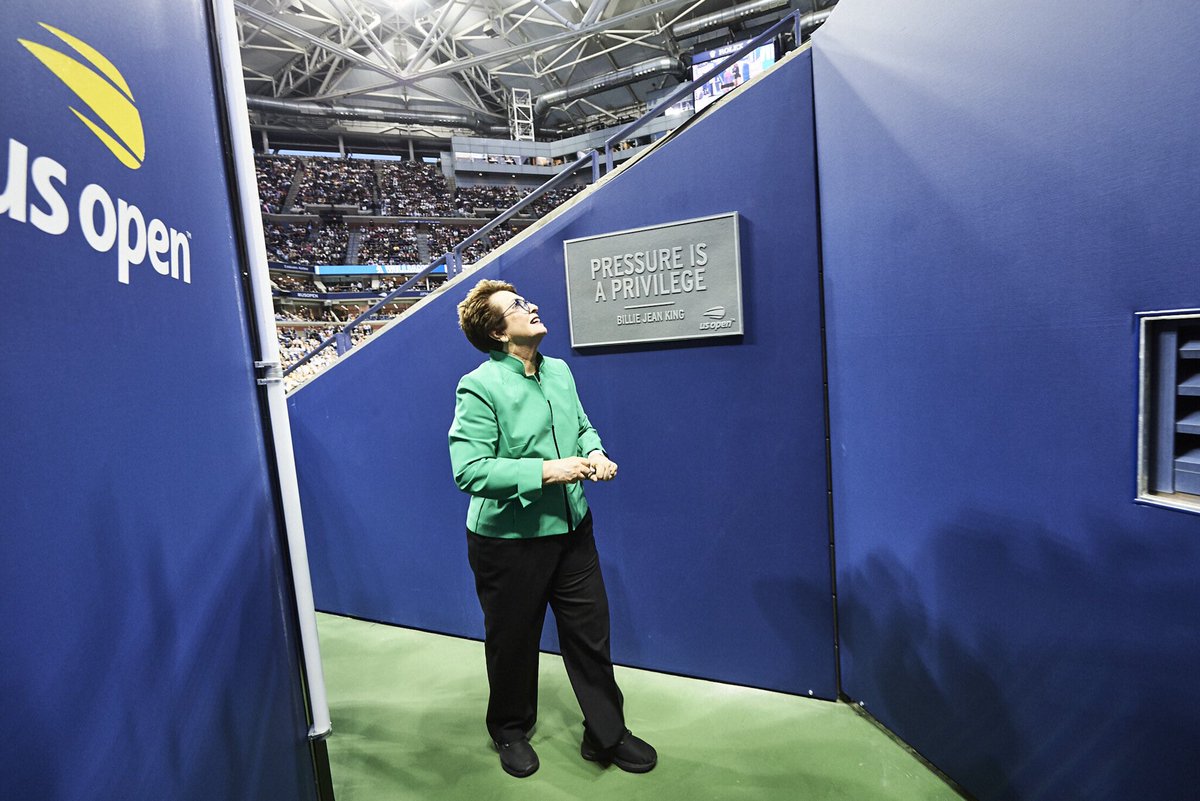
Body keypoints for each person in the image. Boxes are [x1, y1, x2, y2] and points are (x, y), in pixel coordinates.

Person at [448, 279, 656, 779]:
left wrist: (596, 453)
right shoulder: (479, 386)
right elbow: (469, 470)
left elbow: (581, 426)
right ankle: (510, 730)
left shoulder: (559, 371)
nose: (532, 305)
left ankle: (606, 733)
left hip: (572, 530)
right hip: (507, 543)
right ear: (498, 333)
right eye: (518, 306)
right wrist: (547, 471)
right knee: (513, 641)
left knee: (590, 635)